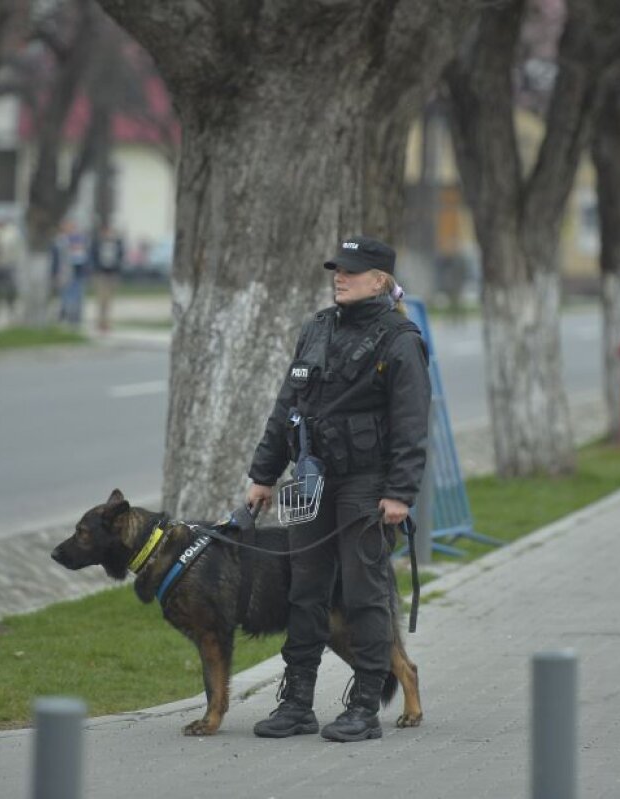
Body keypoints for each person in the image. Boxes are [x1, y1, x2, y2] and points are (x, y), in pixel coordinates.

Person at [245, 234, 430, 743]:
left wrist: (400, 492)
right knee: (304, 589)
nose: (339, 277)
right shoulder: (318, 328)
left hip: (367, 484)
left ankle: (366, 704)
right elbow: (288, 407)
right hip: (311, 478)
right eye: (336, 269)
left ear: (380, 280)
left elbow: (412, 424)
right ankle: (297, 702)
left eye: (350, 271)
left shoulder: (400, 338)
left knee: (365, 592)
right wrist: (263, 475)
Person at [90, 223, 125, 332]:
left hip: (112, 274)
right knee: (101, 299)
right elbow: (93, 257)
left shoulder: (117, 243)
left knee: (109, 300)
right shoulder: (97, 243)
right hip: (100, 274)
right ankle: (100, 322)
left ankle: (107, 322)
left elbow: (120, 256)